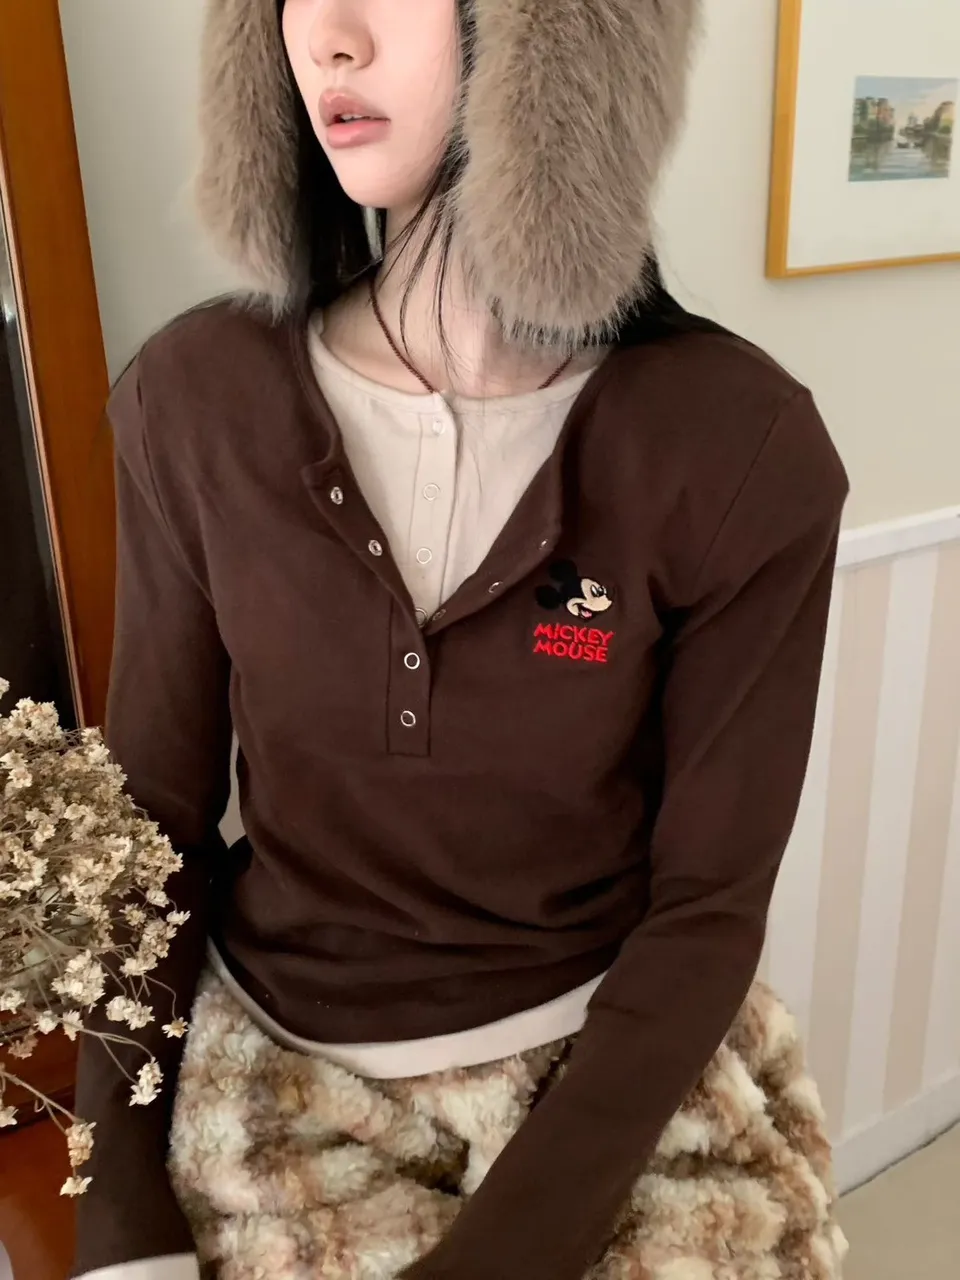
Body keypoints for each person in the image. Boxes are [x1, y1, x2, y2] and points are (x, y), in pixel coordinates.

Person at [73, 2, 849, 1278]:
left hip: (601, 1082)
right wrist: (118, 1216)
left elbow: (707, 906)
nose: (328, 39)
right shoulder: (195, 398)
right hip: (277, 1076)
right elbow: (151, 820)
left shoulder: (738, 445)